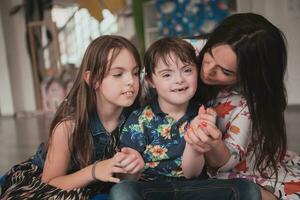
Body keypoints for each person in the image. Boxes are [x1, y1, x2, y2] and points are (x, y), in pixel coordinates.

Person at [109, 37, 262, 200]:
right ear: (150, 81)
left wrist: (193, 142)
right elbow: (126, 179)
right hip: (152, 191)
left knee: (247, 189)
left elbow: (192, 174)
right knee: (122, 191)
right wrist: (132, 167)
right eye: (167, 74)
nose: (179, 79)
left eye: (187, 70)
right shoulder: (138, 119)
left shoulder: (204, 115)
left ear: (197, 71)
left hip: (194, 189)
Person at [0, 35, 144, 199]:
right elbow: (49, 183)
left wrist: (134, 170)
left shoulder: (138, 119)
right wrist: (94, 171)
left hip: (99, 186)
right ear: (92, 79)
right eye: (118, 74)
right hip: (54, 181)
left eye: (135, 72)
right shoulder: (68, 126)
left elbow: (123, 180)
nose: (131, 81)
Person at [184, 13, 300, 200]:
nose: (208, 70)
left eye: (225, 71)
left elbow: (227, 160)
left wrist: (214, 145)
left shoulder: (248, 102)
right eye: (210, 55)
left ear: (248, 76)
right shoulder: (182, 53)